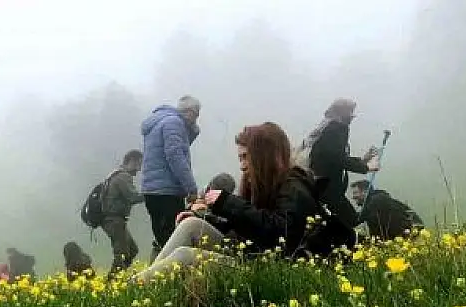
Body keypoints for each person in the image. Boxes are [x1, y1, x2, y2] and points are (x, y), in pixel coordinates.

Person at [132, 122, 347, 283]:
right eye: (240, 159)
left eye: (247, 157)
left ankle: (135, 290)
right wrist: (207, 217)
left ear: (264, 156)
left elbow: (280, 233)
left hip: (273, 268)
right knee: (192, 225)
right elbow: (244, 228)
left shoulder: (295, 187)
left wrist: (228, 203)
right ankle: (138, 285)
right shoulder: (264, 186)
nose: (243, 166)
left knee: (185, 256)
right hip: (253, 255)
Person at [295, 98, 379, 229]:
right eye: (351, 114)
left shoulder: (325, 129)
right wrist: (366, 167)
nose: (352, 118)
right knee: (351, 221)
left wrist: (361, 160)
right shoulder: (337, 128)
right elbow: (336, 158)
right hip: (328, 189)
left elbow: (333, 157)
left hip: (320, 186)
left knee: (338, 222)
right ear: (342, 114)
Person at [140, 96, 202, 259]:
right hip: (168, 191)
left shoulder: (159, 122)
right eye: (196, 114)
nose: (196, 119)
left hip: (151, 190)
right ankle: (166, 280)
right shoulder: (174, 123)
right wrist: (191, 188)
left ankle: (155, 279)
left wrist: (192, 129)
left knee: (162, 240)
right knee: (174, 243)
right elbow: (176, 156)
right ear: (189, 112)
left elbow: (183, 144)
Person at [101, 149, 144, 273]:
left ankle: (119, 278)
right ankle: (112, 284)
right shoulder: (123, 176)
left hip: (113, 220)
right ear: (132, 161)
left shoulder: (116, 174)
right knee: (122, 254)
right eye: (138, 164)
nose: (139, 169)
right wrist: (152, 194)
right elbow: (133, 197)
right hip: (114, 220)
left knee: (132, 250)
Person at [351, 180, 423, 240]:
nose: (353, 197)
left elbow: (358, 218)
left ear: (365, 192)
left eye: (355, 193)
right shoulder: (373, 203)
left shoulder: (377, 200)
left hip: (411, 231)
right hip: (400, 236)